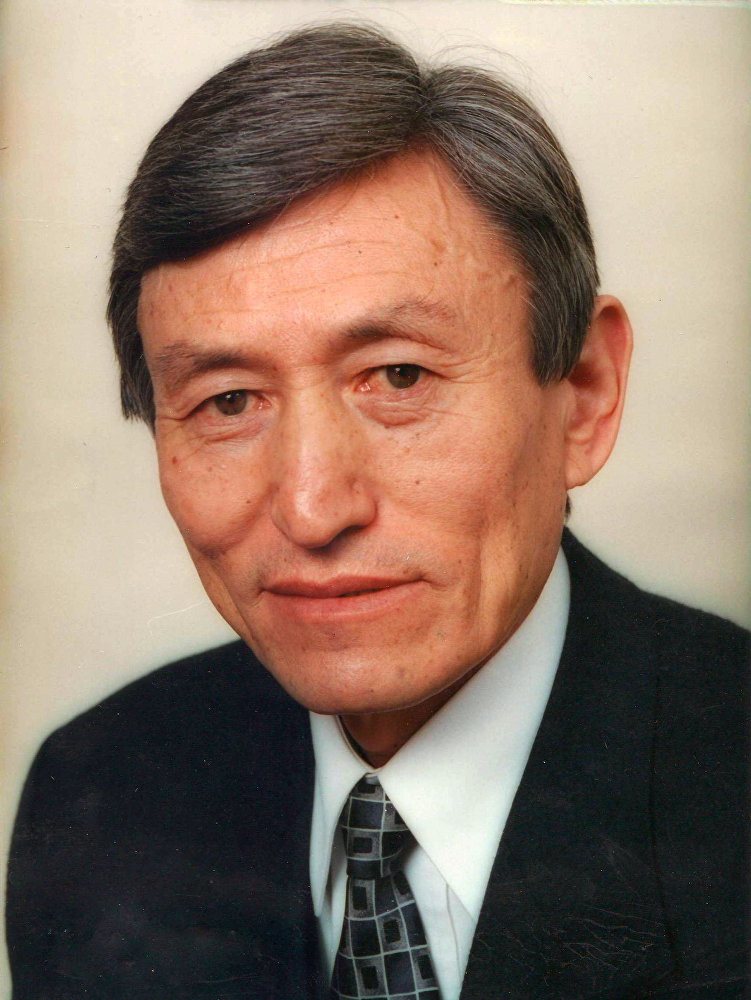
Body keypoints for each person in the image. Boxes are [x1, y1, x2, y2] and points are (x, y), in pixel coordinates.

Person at [6, 23, 747, 1000]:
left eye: (398, 376)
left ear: (584, 393)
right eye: (229, 400)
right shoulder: (99, 798)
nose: (313, 508)